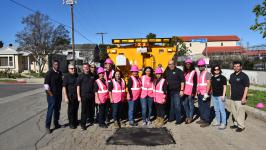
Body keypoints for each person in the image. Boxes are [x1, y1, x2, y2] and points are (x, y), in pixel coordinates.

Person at [229, 61, 249, 132]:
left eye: (238, 66)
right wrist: (230, 94)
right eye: (235, 66)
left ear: (240, 67)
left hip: (240, 98)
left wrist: (244, 97)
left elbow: (246, 87)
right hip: (233, 97)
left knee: (240, 113)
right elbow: (231, 85)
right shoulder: (232, 75)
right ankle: (236, 124)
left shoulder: (244, 76)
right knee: (234, 112)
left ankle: (241, 126)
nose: (236, 68)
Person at [44, 60, 63, 134]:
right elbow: (46, 85)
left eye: (58, 64)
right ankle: (47, 126)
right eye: (55, 64)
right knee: (50, 110)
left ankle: (56, 123)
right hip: (51, 95)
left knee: (57, 110)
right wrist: (50, 94)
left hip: (59, 95)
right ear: (53, 65)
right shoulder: (49, 73)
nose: (57, 66)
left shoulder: (60, 72)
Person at [164, 60, 185, 125]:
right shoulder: (167, 71)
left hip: (177, 91)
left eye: (172, 64)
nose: (171, 65)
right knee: (171, 105)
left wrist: (181, 90)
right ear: (168, 65)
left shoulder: (179, 71)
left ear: (174, 64)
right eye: (169, 64)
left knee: (177, 106)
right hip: (170, 91)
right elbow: (164, 80)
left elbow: (182, 81)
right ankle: (171, 117)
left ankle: (178, 120)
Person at [77, 63, 95, 131]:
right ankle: (83, 125)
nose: (86, 68)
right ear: (83, 68)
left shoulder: (92, 75)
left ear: (89, 67)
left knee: (91, 110)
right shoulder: (80, 76)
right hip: (84, 96)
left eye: (87, 67)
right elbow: (78, 86)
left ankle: (91, 120)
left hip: (91, 96)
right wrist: (78, 96)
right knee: (84, 111)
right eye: (84, 67)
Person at [196, 58, 212, 128]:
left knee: (206, 107)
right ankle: (202, 118)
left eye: (202, 66)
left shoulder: (207, 73)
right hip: (200, 93)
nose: (200, 67)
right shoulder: (200, 73)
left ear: (204, 66)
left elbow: (209, 83)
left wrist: (206, 93)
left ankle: (207, 121)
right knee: (201, 107)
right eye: (199, 66)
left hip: (205, 94)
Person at [210, 65, 227, 130]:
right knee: (216, 109)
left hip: (220, 96)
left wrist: (223, 95)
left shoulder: (222, 77)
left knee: (222, 110)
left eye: (218, 69)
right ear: (213, 70)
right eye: (215, 69)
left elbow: (224, 87)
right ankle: (218, 121)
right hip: (214, 96)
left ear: (219, 70)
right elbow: (211, 86)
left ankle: (223, 123)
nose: (216, 70)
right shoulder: (212, 78)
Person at [63, 64, 79, 129]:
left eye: (74, 68)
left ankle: (75, 121)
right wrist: (65, 97)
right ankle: (71, 123)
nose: (73, 69)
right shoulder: (66, 77)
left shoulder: (77, 75)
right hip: (70, 96)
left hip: (77, 96)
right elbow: (64, 87)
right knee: (71, 110)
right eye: (71, 68)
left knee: (76, 109)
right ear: (68, 69)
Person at [182, 58, 197, 124]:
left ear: (191, 65)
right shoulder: (184, 72)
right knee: (185, 104)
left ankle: (190, 117)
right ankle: (187, 116)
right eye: (186, 64)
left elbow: (195, 83)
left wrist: (193, 92)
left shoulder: (194, 72)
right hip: (185, 91)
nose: (188, 65)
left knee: (191, 105)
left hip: (190, 91)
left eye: (189, 64)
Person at [104, 58, 115, 123]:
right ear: (105, 65)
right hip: (105, 92)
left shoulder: (113, 72)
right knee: (106, 106)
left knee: (112, 106)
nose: (108, 66)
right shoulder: (103, 72)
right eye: (107, 64)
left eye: (109, 64)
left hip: (112, 92)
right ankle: (106, 118)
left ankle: (113, 117)